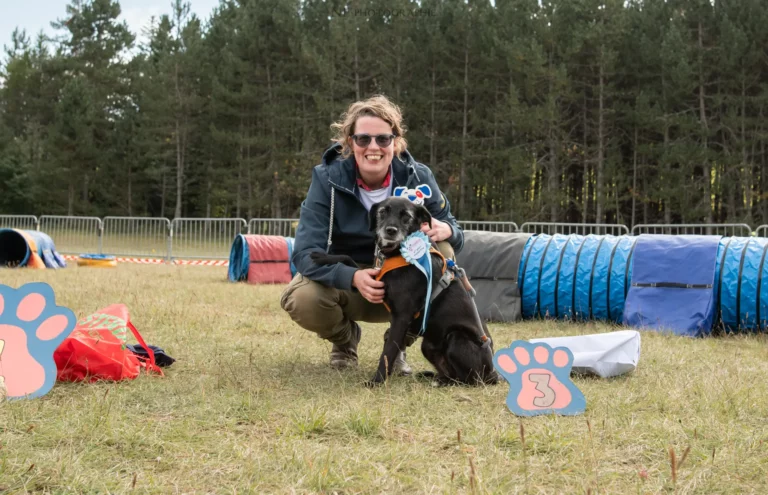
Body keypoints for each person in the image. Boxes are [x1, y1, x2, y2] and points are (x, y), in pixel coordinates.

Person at [280, 95, 464, 373]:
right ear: (349, 142)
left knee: (444, 252)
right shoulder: (325, 179)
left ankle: (398, 345)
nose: (373, 147)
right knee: (302, 299)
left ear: (396, 142)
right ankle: (345, 342)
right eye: (363, 139)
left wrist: (446, 228)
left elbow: (456, 233)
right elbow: (305, 254)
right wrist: (351, 276)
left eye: (383, 139)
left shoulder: (419, 177)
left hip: (404, 282)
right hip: (350, 284)